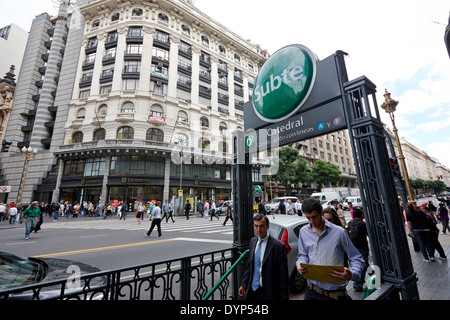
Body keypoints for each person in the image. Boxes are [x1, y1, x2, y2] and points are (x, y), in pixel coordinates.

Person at [296, 198, 365, 300]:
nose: (312, 221)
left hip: (335, 294)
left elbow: (356, 258)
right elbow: (303, 255)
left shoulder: (339, 232)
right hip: (312, 292)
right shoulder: (303, 232)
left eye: (314, 217)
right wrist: (300, 264)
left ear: (321, 212)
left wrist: (351, 273)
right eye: (308, 218)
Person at [239, 214, 289, 300]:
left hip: (269, 292)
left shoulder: (278, 246)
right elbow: (250, 266)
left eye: (261, 226)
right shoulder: (253, 241)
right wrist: (244, 284)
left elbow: (283, 275)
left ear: (267, 226)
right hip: (252, 291)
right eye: (256, 226)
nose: (258, 230)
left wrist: (284, 297)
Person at [346, 207, 369, 292]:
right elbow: (369, 234)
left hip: (353, 247)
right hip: (362, 247)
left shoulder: (350, 223)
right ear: (362, 215)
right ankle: (358, 284)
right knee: (363, 265)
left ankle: (374, 275)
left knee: (364, 264)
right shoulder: (362, 224)